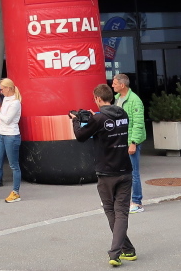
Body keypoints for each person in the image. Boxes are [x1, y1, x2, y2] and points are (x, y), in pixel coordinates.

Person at [71, 84, 137, 266]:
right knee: (121, 212)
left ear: (98, 99)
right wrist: (96, 117)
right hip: (125, 169)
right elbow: (108, 125)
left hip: (107, 172)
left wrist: (75, 120)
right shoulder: (122, 114)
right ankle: (128, 250)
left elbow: (80, 136)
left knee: (110, 210)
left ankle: (115, 254)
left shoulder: (99, 118)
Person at [112, 73, 147, 214]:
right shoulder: (117, 99)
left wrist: (133, 143)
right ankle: (122, 200)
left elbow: (138, 123)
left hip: (130, 142)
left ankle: (137, 202)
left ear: (122, 85)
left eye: (115, 83)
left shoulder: (135, 100)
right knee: (120, 172)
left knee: (133, 173)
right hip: (120, 141)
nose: (112, 85)